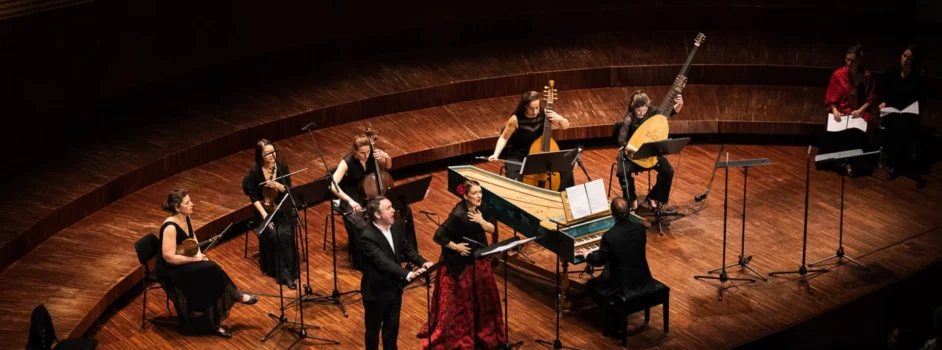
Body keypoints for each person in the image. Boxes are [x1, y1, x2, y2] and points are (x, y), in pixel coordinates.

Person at [156, 189, 258, 338]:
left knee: (211, 272)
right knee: (212, 269)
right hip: (171, 269)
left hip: (185, 261)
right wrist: (194, 259)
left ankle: (214, 322)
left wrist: (199, 254)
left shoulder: (186, 217)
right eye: (187, 202)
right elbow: (169, 258)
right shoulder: (170, 227)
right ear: (177, 208)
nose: (192, 204)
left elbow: (193, 240)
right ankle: (235, 296)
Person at [417, 180, 506, 349]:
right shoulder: (458, 214)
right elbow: (439, 236)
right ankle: (463, 333)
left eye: (480, 192)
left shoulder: (483, 208)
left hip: (478, 256)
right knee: (461, 299)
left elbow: (492, 230)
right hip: (459, 263)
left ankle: (482, 330)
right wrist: (456, 246)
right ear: (465, 196)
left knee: (484, 294)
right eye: (474, 193)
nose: (479, 196)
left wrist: (481, 220)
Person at [359, 195, 433, 350]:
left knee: (391, 330)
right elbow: (383, 262)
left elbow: (406, 247)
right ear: (378, 215)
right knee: (373, 332)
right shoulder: (367, 237)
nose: (393, 210)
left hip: (394, 288)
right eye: (388, 208)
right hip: (376, 292)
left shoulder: (394, 227)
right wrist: (408, 274)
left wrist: (422, 261)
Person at [575, 197, 654, 339]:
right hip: (642, 277)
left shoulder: (609, 236)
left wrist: (587, 254)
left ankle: (613, 316)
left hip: (623, 284)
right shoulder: (640, 228)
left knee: (591, 286)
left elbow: (599, 261)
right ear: (629, 212)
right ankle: (616, 311)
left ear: (612, 215)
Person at [242, 139, 299, 289]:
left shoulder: (282, 168)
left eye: (273, 152)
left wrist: (279, 185)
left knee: (285, 233)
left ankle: (288, 273)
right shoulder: (255, 172)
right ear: (260, 156)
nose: (271, 155)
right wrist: (265, 216)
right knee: (274, 234)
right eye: (267, 153)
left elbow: (288, 190)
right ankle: (279, 272)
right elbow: (253, 197)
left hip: (281, 208)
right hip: (263, 211)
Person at [487, 91, 574, 189]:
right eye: (531, 108)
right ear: (524, 106)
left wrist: (559, 118)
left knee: (565, 169)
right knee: (515, 181)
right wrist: (496, 154)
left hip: (540, 151)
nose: (535, 112)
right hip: (520, 154)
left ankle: (565, 197)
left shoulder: (544, 113)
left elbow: (565, 126)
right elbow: (504, 137)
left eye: (537, 107)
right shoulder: (516, 119)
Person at [331, 133, 393, 270]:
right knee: (361, 225)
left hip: (371, 196)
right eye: (362, 153)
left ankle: (392, 252)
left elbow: (388, 166)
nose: (366, 156)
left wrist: (386, 157)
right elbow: (332, 185)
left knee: (396, 213)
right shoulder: (347, 161)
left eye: (368, 152)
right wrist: (350, 201)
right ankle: (363, 261)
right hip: (352, 198)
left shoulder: (373, 156)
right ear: (355, 151)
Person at [615, 90, 684, 212]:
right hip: (632, 154)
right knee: (622, 172)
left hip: (649, 154)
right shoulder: (629, 118)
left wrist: (679, 104)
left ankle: (653, 196)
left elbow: (669, 112)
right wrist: (636, 150)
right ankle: (632, 199)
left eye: (644, 110)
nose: (641, 113)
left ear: (648, 107)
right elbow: (621, 141)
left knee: (668, 171)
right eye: (638, 111)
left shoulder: (652, 112)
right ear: (633, 107)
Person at [822, 44, 877, 177]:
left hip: (860, 113)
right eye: (847, 59)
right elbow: (831, 98)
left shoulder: (867, 76)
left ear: (859, 61)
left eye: (852, 60)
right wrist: (835, 110)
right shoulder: (838, 74)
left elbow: (870, 99)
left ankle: (852, 162)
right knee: (842, 131)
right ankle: (844, 162)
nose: (848, 63)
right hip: (843, 112)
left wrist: (859, 111)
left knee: (856, 132)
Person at [879, 45, 928, 188]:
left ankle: (897, 164)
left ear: (914, 61)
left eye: (909, 58)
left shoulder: (917, 78)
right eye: (904, 56)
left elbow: (920, 99)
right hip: (892, 112)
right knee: (895, 125)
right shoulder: (892, 73)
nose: (905, 59)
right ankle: (896, 164)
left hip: (908, 114)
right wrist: (883, 103)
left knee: (902, 126)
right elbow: (884, 93)